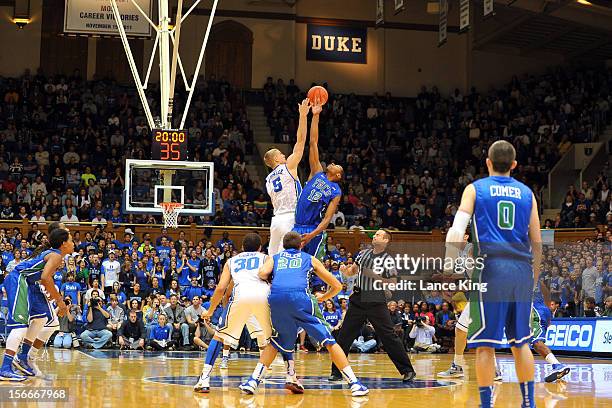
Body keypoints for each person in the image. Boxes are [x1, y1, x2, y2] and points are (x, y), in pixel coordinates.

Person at [445, 141, 542, 408]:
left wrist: (450, 263)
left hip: (490, 269)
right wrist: (532, 280)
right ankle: (528, 403)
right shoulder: (528, 194)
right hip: (521, 271)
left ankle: (486, 404)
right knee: (520, 342)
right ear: (514, 165)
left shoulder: (475, 189)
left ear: (487, 162)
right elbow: (537, 242)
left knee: (486, 345)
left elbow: (456, 230)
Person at [238, 232, 369, 397]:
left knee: (276, 341)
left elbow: (262, 273)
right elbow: (336, 285)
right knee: (329, 341)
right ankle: (354, 383)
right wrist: (324, 297)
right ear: (301, 245)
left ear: (284, 246)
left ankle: (252, 381)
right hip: (300, 298)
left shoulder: (276, 257)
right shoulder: (309, 258)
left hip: (277, 299)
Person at [329, 229, 415, 383]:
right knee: (344, 335)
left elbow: (393, 283)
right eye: (375, 234)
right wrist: (345, 270)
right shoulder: (363, 254)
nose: (375, 235)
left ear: (386, 241)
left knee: (389, 336)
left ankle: (407, 370)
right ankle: (336, 372)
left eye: (379, 235)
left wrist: (374, 276)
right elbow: (352, 272)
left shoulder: (388, 259)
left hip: (376, 299)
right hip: (357, 298)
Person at [194, 233, 273, 393]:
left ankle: (204, 379)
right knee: (272, 339)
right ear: (260, 248)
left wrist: (209, 311)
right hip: (264, 296)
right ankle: (264, 377)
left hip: (240, 296)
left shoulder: (231, 261)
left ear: (242, 247)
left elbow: (221, 288)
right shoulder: (266, 258)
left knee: (219, 336)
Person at [0, 227, 73, 381]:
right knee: (20, 326)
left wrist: (53, 296)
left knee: (42, 318)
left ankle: (23, 356)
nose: (73, 243)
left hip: (30, 284)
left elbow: (44, 278)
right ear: (64, 243)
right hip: (19, 280)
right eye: (71, 240)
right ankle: (5, 368)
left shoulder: (55, 254)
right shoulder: (56, 256)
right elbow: (46, 278)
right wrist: (60, 302)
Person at [293, 99, 343, 261]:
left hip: (313, 229)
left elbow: (327, 219)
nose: (333, 163)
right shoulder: (317, 172)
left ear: (338, 176)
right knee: (293, 263)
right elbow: (313, 142)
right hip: (296, 226)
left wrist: (312, 234)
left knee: (310, 266)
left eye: (337, 165)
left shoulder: (336, 191)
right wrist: (315, 116)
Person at [263, 98, 310, 255]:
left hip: (276, 220)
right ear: (276, 159)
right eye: (281, 154)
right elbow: (301, 141)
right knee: (288, 258)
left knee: (272, 258)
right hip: (291, 217)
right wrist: (303, 116)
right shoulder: (288, 166)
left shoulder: (268, 179)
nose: (284, 155)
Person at [531, 278, 570, 382]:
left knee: (537, 342)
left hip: (535, 310)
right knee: (534, 344)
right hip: (541, 309)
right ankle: (556, 365)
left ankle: (557, 365)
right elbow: (546, 291)